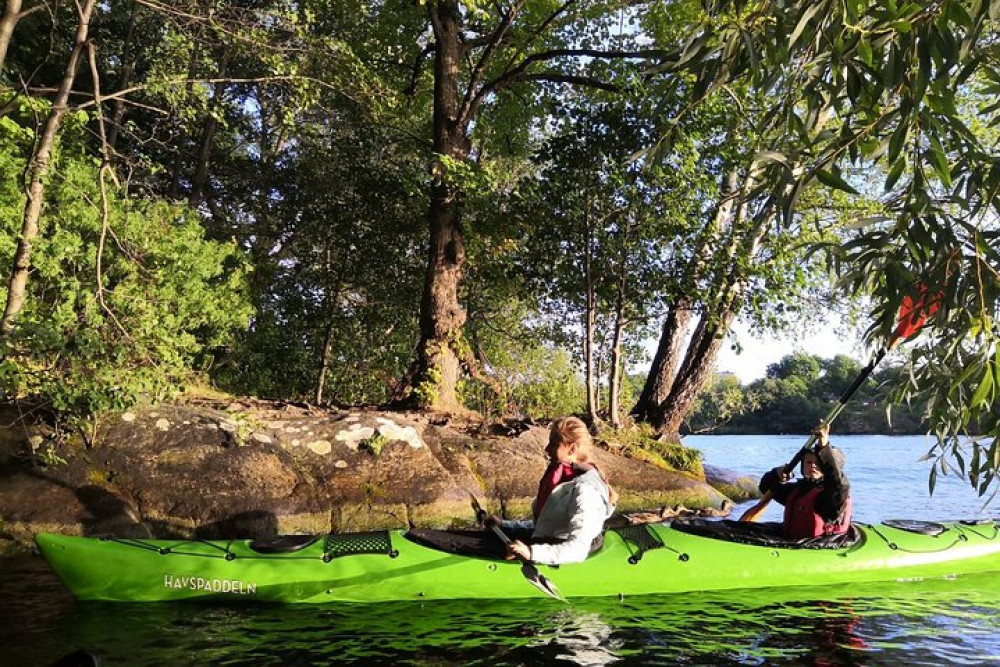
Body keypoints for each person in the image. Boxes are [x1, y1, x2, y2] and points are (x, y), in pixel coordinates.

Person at [493, 416, 617, 565]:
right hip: (548, 543)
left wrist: (531, 553)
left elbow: (578, 549)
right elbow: (547, 526)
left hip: (562, 554)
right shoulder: (564, 478)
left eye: (554, 444)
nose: (547, 449)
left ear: (572, 448)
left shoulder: (586, 491)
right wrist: (505, 525)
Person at [758, 423, 852, 539]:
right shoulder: (798, 491)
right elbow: (765, 487)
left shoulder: (831, 497)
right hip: (792, 541)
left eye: (818, 463)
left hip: (820, 546)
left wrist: (823, 445)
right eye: (808, 462)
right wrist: (776, 474)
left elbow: (838, 484)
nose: (812, 466)